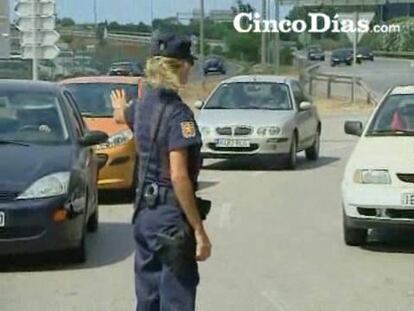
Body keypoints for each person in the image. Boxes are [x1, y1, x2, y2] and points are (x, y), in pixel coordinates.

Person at [111, 34, 212, 311]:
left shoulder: (141, 108)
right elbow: (179, 176)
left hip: (144, 215)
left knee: (148, 299)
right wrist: (199, 230)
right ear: (180, 66)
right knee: (177, 299)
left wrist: (119, 109)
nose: (190, 69)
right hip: (170, 221)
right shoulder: (179, 115)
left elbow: (122, 117)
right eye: (188, 64)